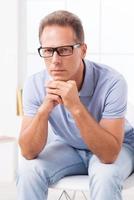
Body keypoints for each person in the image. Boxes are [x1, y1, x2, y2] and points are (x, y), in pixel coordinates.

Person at [16, 10, 134, 200]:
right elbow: (28, 152)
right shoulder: (35, 84)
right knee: (28, 170)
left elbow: (109, 155)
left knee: (105, 175)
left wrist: (76, 106)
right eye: (48, 51)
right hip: (67, 145)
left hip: (117, 146)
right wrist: (44, 110)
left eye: (64, 49)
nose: (55, 60)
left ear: (83, 50)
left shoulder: (112, 81)